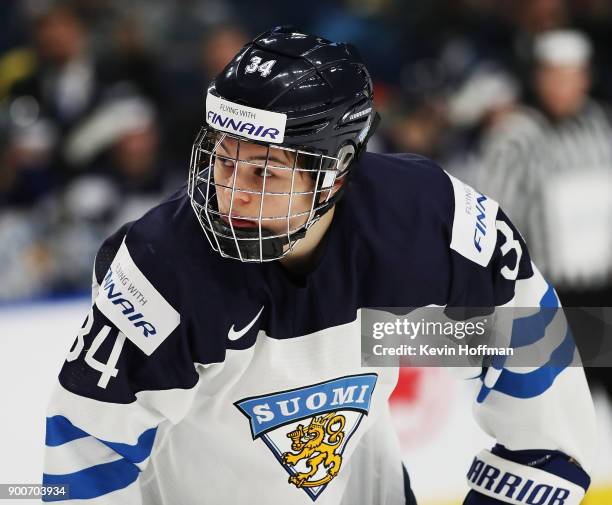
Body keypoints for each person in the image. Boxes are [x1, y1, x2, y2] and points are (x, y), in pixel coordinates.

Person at [43, 27, 595, 505]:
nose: (229, 193)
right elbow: (83, 457)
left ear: (335, 171)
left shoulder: (425, 223)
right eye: (223, 159)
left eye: (264, 175)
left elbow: (534, 359)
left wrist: (534, 462)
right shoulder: (163, 272)